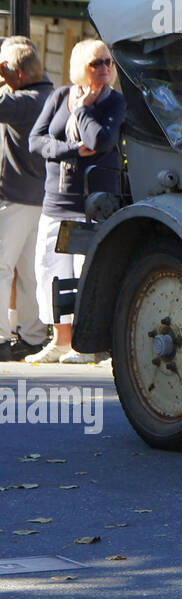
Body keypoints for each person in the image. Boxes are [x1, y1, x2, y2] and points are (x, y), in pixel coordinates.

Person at [25, 39, 126, 364]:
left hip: (94, 201)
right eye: (96, 63)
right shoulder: (59, 96)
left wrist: (83, 110)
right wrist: (68, 150)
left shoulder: (114, 102)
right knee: (50, 270)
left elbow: (101, 141)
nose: (105, 69)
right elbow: (36, 140)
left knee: (89, 272)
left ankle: (90, 344)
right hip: (57, 200)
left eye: (108, 62)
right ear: (81, 66)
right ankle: (61, 339)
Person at [0, 37, 54, 359]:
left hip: (15, 196)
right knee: (30, 270)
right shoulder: (52, 96)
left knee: (2, 267)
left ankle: (2, 337)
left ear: (16, 73)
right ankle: (32, 335)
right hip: (43, 197)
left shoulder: (22, 102)